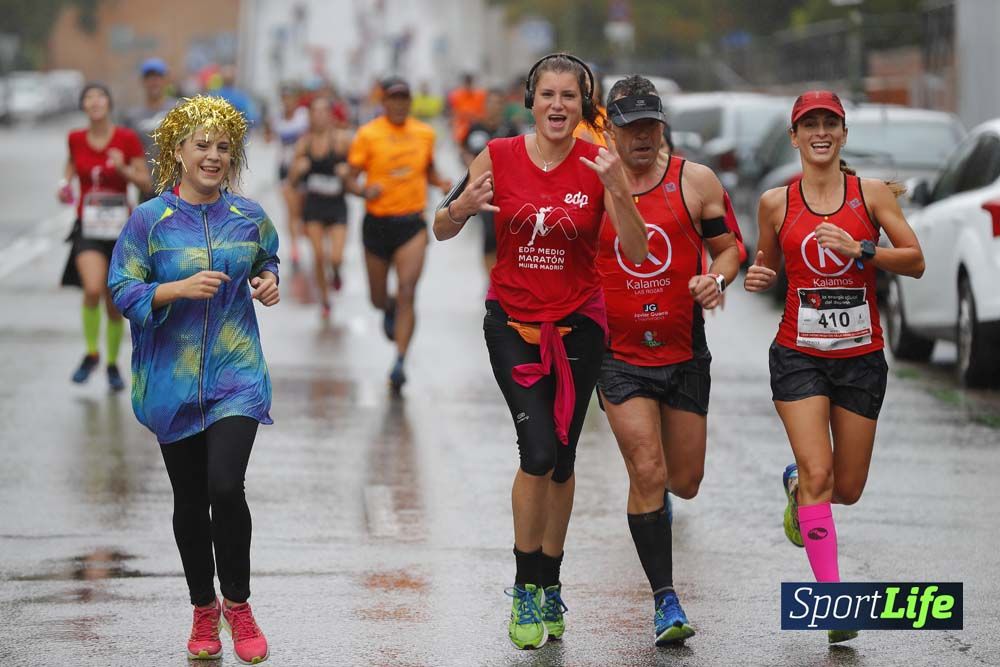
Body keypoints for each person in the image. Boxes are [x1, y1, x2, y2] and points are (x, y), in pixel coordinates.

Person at [433, 53, 649, 650]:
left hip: (581, 325)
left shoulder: (599, 164)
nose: (558, 106)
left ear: (584, 106)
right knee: (537, 450)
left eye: (570, 97)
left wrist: (617, 191)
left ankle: (551, 582)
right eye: (548, 95)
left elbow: (633, 250)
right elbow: (440, 225)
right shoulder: (497, 156)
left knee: (564, 458)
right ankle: (527, 586)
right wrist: (461, 208)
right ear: (531, 100)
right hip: (513, 323)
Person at [744, 91, 925, 644]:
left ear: (842, 134)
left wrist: (860, 249)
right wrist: (759, 276)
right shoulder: (777, 203)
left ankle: (799, 486)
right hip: (798, 355)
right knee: (823, 476)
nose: (820, 132)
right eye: (809, 124)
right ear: (795, 137)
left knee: (846, 487)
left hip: (861, 357)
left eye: (830, 123)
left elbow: (914, 260)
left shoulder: (869, 196)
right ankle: (834, 605)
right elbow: (766, 261)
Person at [108, 95, 279, 663]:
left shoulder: (248, 216)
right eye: (201, 145)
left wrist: (268, 280)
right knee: (189, 497)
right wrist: (173, 290)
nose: (213, 155)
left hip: (236, 372)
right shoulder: (149, 221)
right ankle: (204, 611)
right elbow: (122, 288)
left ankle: (240, 605)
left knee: (226, 487)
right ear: (178, 151)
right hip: (171, 379)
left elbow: (266, 256)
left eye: (223, 147)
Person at [595, 76, 740, 647]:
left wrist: (717, 276)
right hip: (618, 356)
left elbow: (730, 246)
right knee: (648, 472)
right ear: (611, 128)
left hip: (684, 351)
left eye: (651, 125)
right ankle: (665, 600)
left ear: (662, 124)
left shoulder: (695, 180)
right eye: (630, 127)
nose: (642, 137)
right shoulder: (593, 185)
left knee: (686, 480)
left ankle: (657, 514)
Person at [345, 76, 451, 391]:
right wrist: (364, 192)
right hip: (377, 223)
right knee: (379, 299)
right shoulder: (368, 134)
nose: (400, 104)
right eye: (394, 98)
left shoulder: (424, 133)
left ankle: (400, 361)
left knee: (408, 290)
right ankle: (387, 307)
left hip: (411, 224)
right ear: (384, 102)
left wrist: (440, 182)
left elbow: (429, 170)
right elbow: (349, 178)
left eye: (405, 99)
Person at [60, 83, 150, 391]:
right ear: (83, 106)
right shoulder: (75, 138)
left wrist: (123, 168)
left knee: (113, 303)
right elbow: (72, 164)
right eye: (88, 97)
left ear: (109, 104)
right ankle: (92, 353)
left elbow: (145, 180)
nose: (95, 102)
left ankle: (112, 364)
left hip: (119, 231)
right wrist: (65, 183)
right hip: (87, 227)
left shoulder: (126, 138)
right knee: (92, 287)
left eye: (100, 96)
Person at [290, 96, 353, 318]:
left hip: (336, 206)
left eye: (323, 112)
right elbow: (292, 182)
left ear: (330, 115)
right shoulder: (304, 143)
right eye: (314, 112)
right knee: (317, 256)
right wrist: (298, 170)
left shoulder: (342, 140)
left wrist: (347, 171)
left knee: (335, 257)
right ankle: (325, 300)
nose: (319, 116)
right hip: (314, 205)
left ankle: (335, 272)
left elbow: (357, 169)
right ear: (310, 116)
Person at [460, 88, 519, 273]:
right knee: (489, 233)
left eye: (499, 103)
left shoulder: (511, 129)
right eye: (491, 103)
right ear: (485, 105)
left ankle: (508, 272)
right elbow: (464, 150)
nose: (495, 107)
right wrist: (472, 168)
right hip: (483, 189)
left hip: (508, 189)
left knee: (511, 232)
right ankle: (490, 279)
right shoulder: (475, 128)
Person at [266, 83, 310, 269]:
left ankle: (305, 240)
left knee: (302, 211)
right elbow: (268, 138)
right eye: (284, 98)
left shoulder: (303, 117)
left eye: (290, 98)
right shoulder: (277, 118)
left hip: (303, 168)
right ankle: (294, 251)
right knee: (291, 210)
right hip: (284, 168)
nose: (287, 102)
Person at [121, 58, 177, 202]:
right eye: (149, 78)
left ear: (166, 80)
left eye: (158, 77)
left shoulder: (180, 110)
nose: (154, 82)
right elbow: (126, 153)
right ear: (143, 81)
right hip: (146, 190)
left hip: (178, 189)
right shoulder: (132, 116)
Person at [448, 72, 486, 144]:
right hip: (462, 130)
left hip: (477, 128)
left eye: (470, 82)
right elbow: (454, 112)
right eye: (467, 82)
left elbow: (484, 111)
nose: (468, 85)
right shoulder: (456, 95)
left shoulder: (481, 94)